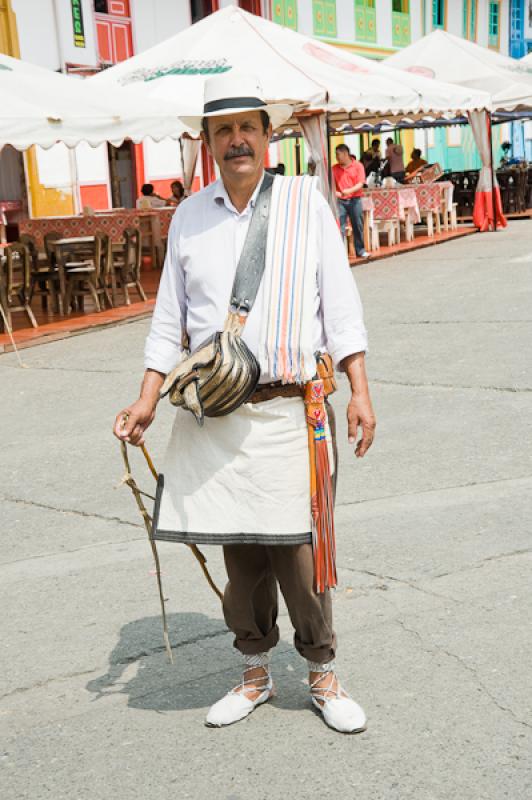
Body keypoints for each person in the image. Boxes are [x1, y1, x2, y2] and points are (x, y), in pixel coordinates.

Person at [113, 72, 376, 734]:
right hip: (217, 414)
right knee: (242, 555)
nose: (237, 141)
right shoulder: (189, 216)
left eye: (248, 128)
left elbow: (339, 305)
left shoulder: (303, 203)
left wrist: (362, 390)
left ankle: (321, 671)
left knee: (300, 553)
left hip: (294, 408)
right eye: (223, 131)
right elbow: (168, 319)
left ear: (268, 137)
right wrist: (147, 396)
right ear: (207, 143)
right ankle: (254, 672)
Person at [332, 144, 369, 260]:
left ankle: (360, 250)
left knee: (357, 225)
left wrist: (349, 191)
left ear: (345, 153)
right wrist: (337, 193)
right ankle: (339, 252)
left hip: (355, 199)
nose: (336, 157)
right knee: (339, 226)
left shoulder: (358, 166)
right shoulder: (334, 169)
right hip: (340, 201)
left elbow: (361, 183)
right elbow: (330, 185)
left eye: (338, 155)